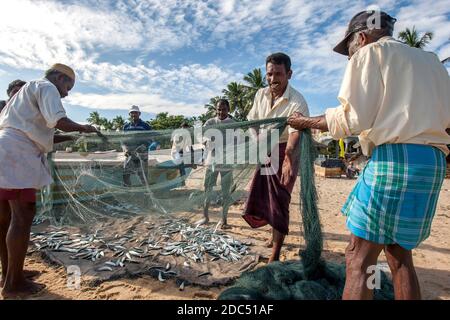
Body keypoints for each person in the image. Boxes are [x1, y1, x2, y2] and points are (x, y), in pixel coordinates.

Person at [287, 10, 450, 300]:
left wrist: (305, 122)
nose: (350, 56)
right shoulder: (432, 62)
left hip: (394, 161)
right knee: (399, 256)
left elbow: (352, 119)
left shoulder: (369, 53)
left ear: (361, 37)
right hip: (432, 164)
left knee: (358, 258)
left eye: (349, 49)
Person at [0, 63, 98, 297]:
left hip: (6, 149)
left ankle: (10, 273)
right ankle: (14, 285)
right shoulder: (46, 86)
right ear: (57, 76)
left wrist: (72, 136)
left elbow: (42, 133)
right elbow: (59, 121)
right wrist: (84, 128)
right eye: (68, 85)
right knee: (23, 216)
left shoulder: (24, 93)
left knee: (5, 218)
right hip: (17, 155)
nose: (67, 92)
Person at [243, 52, 310, 262]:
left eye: (279, 74)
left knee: (281, 200)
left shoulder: (297, 101)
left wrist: (289, 157)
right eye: (270, 74)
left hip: (286, 151)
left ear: (289, 74)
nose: (273, 79)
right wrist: (258, 144)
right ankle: (274, 238)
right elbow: (252, 122)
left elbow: (294, 133)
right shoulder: (260, 95)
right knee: (264, 196)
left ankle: (275, 255)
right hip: (265, 150)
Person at [198, 99, 236, 229]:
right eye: (218, 109)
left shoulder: (233, 123)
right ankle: (205, 216)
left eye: (224, 109)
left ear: (228, 109)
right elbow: (202, 137)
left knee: (226, 192)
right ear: (215, 109)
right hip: (211, 161)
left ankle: (224, 220)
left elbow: (239, 141)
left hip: (227, 162)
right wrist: (207, 142)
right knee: (207, 189)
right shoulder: (210, 122)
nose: (221, 112)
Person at [122, 105, 152, 187]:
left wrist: (144, 147)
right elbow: (123, 141)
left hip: (142, 154)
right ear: (129, 115)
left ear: (139, 114)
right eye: (132, 113)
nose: (133, 114)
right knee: (126, 173)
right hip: (130, 154)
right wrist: (125, 149)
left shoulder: (146, 125)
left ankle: (147, 192)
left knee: (143, 174)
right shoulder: (126, 126)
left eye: (135, 112)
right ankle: (128, 191)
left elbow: (151, 139)